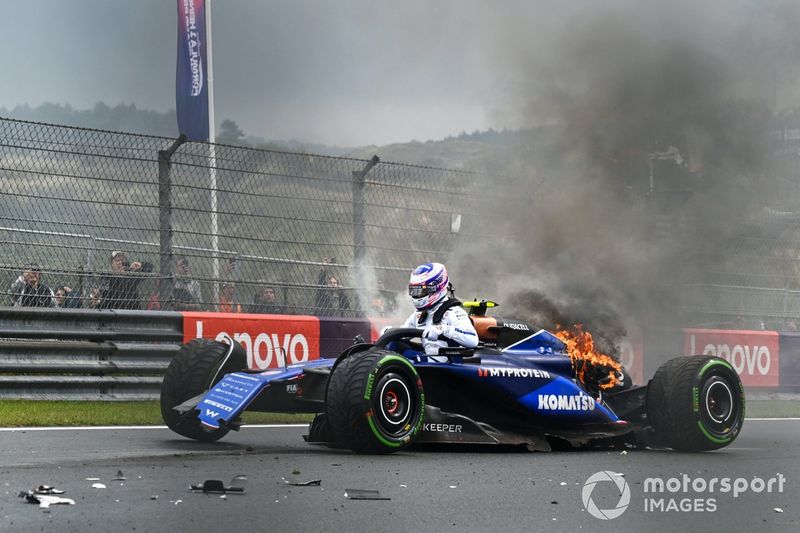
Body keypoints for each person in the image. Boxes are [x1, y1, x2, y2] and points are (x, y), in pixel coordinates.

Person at [401, 262, 478, 358]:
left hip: (448, 366)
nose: (417, 295)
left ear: (436, 287)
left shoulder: (454, 312)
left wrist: (443, 329)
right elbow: (402, 334)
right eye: (414, 291)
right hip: (427, 363)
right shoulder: (418, 315)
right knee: (394, 346)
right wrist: (388, 332)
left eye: (421, 291)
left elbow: (473, 340)